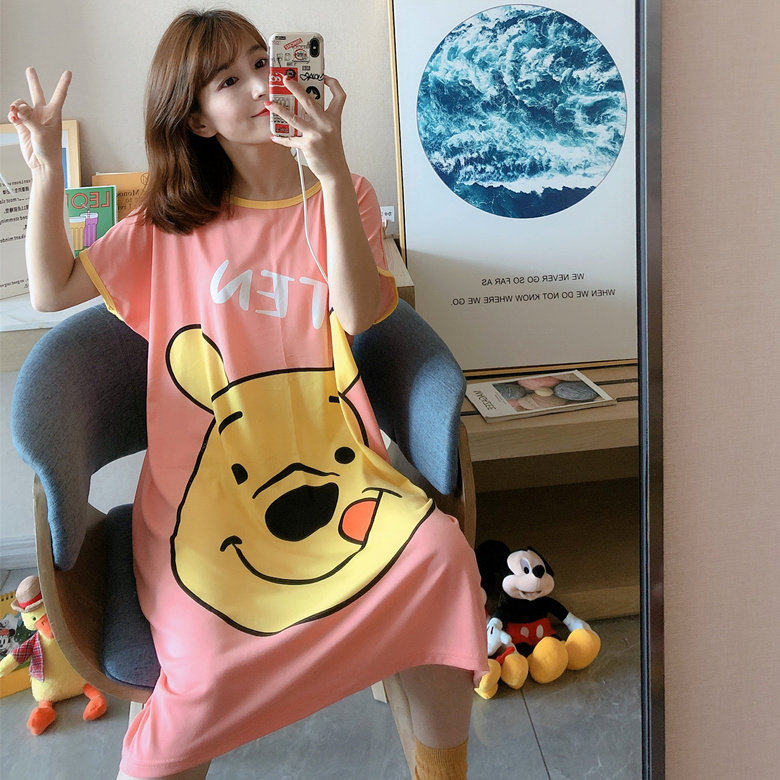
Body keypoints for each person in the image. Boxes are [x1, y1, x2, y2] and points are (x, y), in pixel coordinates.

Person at [8, 9, 487, 780]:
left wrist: (331, 172)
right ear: (198, 118)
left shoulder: (345, 193)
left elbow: (359, 313)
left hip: (339, 473)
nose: (261, 86)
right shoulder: (169, 226)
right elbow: (50, 289)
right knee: (202, 662)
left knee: (439, 558)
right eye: (229, 80)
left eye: (265, 62)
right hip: (207, 497)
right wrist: (44, 172)